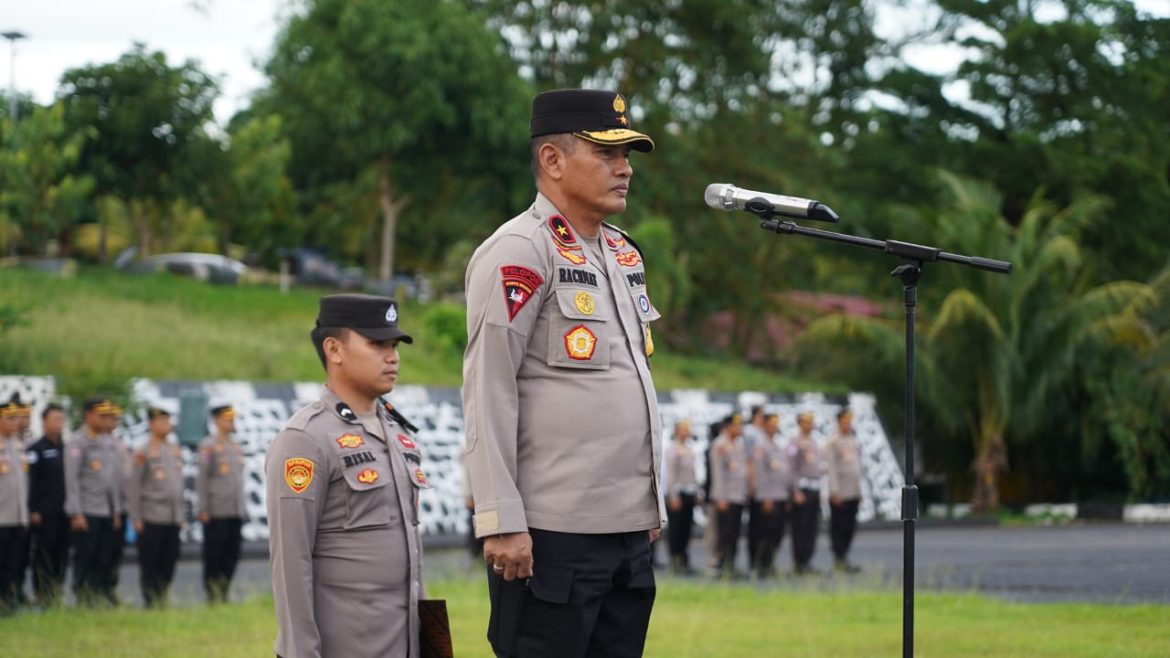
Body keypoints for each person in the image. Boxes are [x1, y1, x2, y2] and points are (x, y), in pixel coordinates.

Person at [462, 88, 665, 657]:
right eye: (606, 154)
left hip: (626, 531)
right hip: (552, 533)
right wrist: (500, 518)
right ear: (552, 160)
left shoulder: (623, 253)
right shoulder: (520, 251)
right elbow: (488, 387)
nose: (625, 169)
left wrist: (649, 503)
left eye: (627, 156)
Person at [267, 294, 426, 658]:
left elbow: (415, 560)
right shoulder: (305, 439)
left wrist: (436, 646)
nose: (392, 356)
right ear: (334, 349)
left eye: (394, 345)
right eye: (377, 344)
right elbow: (291, 562)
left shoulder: (399, 435)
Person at [64, 397, 123, 606]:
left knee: (103, 557)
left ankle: (97, 595)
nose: (105, 419)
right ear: (88, 415)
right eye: (101, 415)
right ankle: (82, 597)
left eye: (108, 415)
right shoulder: (78, 441)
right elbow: (71, 480)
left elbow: (112, 480)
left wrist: (116, 510)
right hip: (87, 510)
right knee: (85, 557)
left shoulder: (107, 441)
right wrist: (75, 513)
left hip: (106, 510)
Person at [127, 408, 185, 607]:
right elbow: (134, 486)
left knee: (169, 561)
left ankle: (163, 597)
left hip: (172, 517)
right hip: (151, 516)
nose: (166, 425)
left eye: (167, 420)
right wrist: (136, 517)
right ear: (151, 424)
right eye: (161, 421)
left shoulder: (174, 449)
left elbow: (178, 485)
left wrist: (181, 515)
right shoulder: (143, 451)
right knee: (150, 563)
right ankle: (151, 601)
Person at [197, 404, 246, 603]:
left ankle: (224, 592)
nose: (231, 423)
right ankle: (212, 595)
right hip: (216, 510)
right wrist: (203, 508)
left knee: (231, 554)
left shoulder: (236, 446)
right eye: (227, 419)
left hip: (235, 510)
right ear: (216, 421)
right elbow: (202, 479)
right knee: (213, 556)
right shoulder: (208, 446)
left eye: (232, 419)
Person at [26, 402, 70, 605]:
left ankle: (56, 590)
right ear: (44, 422)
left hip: (64, 511)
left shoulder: (66, 449)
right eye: (54, 419)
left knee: (61, 554)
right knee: (44, 554)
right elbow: (31, 482)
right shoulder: (36, 449)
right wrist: (33, 509)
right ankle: (42, 593)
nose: (58, 423)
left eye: (61, 419)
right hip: (44, 513)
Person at [750, 413, 792, 578]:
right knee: (765, 533)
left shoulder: (777, 445)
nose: (775, 427)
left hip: (780, 495)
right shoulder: (761, 446)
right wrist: (764, 496)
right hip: (768, 497)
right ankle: (761, 565)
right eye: (772, 424)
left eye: (777, 424)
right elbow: (760, 474)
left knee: (777, 532)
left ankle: (770, 563)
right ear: (765, 425)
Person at [0, 400, 30, 614]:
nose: (15, 422)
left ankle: (9, 601)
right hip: (1, 517)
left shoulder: (18, 445)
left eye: (16, 418)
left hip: (18, 516)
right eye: (9, 418)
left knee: (14, 563)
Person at [709, 414, 748, 577]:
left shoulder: (738, 444)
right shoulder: (720, 444)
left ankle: (730, 565)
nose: (740, 429)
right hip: (725, 497)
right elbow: (717, 474)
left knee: (734, 533)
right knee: (724, 533)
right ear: (728, 427)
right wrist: (720, 497)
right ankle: (721, 566)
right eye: (737, 426)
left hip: (737, 496)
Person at [788, 411, 826, 575]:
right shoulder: (794, 443)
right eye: (806, 422)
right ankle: (800, 562)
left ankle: (807, 561)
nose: (810, 425)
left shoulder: (814, 442)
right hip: (802, 489)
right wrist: (795, 490)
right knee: (800, 527)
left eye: (811, 422)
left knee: (811, 527)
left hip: (814, 488)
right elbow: (790, 467)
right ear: (799, 423)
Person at [827, 408, 863, 573]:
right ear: (839, 422)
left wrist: (859, 491)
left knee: (849, 527)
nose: (848, 425)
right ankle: (839, 558)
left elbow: (857, 468)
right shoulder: (833, 441)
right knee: (839, 527)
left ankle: (845, 557)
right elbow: (832, 468)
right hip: (840, 493)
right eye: (845, 422)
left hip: (853, 492)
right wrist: (835, 491)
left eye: (849, 422)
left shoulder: (853, 440)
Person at [664, 420, 700, 574]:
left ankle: (684, 557)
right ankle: (675, 559)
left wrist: (698, 492)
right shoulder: (673, 450)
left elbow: (693, 474)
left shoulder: (689, 450)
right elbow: (670, 476)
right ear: (677, 431)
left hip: (689, 493)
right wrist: (673, 496)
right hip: (678, 493)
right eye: (684, 429)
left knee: (686, 528)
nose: (687, 432)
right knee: (676, 529)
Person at [742, 405, 766, 571]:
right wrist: (752, 483)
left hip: (764, 485)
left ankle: (761, 558)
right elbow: (749, 459)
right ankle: (754, 560)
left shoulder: (761, 433)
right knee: (756, 525)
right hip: (755, 485)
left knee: (763, 525)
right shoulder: (750, 432)